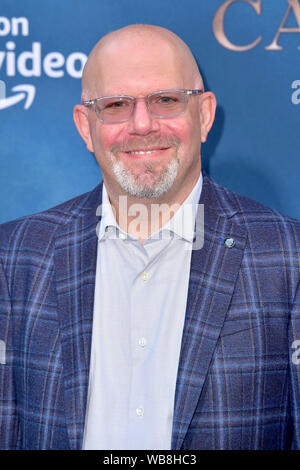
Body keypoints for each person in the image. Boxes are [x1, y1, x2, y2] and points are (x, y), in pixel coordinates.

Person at [0, 24, 300, 451]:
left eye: (166, 100)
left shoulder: (288, 259)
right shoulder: (14, 257)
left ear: (205, 115)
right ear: (86, 127)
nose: (143, 124)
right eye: (117, 104)